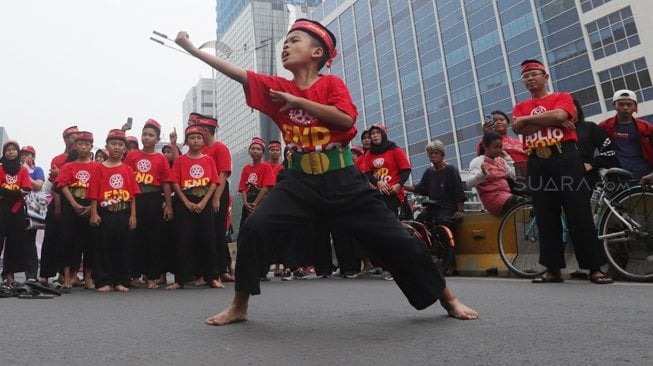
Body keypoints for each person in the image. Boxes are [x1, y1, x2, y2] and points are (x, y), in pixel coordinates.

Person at [174, 18, 477, 325]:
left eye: (295, 41)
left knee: (399, 239)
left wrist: (297, 101)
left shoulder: (331, 85)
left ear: (317, 52)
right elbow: (238, 74)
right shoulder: (278, 88)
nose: (286, 46)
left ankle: (448, 298)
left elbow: (345, 120)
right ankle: (239, 305)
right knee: (254, 229)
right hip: (298, 182)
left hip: (342, 180)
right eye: (286, 42)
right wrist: (191, 49)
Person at [512, 59, 612, 284]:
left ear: (545, 76)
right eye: (525, 76)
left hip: (565, 156)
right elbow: (518, 127)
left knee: (578, 211)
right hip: (537, 160)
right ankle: (552, 269)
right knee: (545, 214)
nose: (530, 79)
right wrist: (548, 120)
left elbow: (560, 116)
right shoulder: (520, 106)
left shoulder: (562, 97)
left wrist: (532, 121)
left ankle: (594, 267)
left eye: (534, 74)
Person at [165, 125, 222, 290]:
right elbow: (174, 182)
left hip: (204, 201)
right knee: (183, 241)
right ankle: (180, 279)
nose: (196, 141)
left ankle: (212, 277)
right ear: (187, 141)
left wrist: (204, 202)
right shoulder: (181, 160)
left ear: (203, 140)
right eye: (192, 138)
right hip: (185, 203)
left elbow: (214, 182)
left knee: (208, 240)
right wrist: (186, 202)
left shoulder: (208, 160)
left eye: (198, 138)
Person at [88, 129, 141, 292]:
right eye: (113, 144)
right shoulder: (99, 168)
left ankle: (122, 281)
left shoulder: (127, 170)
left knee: (123, 247)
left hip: (123, 212)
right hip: (105, 212)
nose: (117, 148)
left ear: (124, 148)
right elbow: (94, 194)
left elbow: (133, 195)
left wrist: (133, 215)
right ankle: (103, 280)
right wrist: (94, 213)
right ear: (106, 147)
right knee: (103, 247)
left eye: (120, 145)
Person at [123, 119, 173, 289]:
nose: (146, 137)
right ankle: (134, 275)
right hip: (135, 199)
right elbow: (125, 178)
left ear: (157, 139)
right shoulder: (132, 156)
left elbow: (166, 182)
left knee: (154, 239)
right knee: (133, 237)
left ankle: (152, 276)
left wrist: (168, 205)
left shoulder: (161, 158)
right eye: (144, 134)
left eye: (150, 135)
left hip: (153, 199)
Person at [192, 113, 233, 284]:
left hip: (218, 192)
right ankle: (211, 270)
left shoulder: (219, 148)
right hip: (202, 191)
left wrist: (216, 198)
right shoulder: (201, 150)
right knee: (204, 233)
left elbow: (223, 174)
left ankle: (219, 270)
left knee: (217, 232)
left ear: (206, 131)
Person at [56, 131, 98, 290]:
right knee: (68, 242)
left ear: (91, 147)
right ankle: (67, 278)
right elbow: (62, 186)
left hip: (90, 205)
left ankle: (88, 279)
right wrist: (74, 204)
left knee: (90, 243)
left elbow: (99, 188)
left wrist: (91, 208)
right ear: (75, 146)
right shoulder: (68, 166)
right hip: (71, 206)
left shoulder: (96, 166)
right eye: (80, 144)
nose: (83, 147)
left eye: (87, 144)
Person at [39, 126, 78, 285]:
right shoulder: (58, 159)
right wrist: (57, 205)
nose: (74, 140)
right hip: (58, 200)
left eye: (77, 137)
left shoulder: (81, 159)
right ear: (65, 139)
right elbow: (56, 183)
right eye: (71, 137)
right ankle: (45, 274)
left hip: (75, 203)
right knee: (51, 238)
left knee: (70, 240)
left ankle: (67, 274)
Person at [404, 139, 466, 221]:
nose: (433, 155)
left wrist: (460, 210)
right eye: (430, 153)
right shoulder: (428, 172)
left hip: (447, 208)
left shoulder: (451, 170)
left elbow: (459, 192)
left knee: (440, 222)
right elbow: (420, 188)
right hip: (432, 208)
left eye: (436, 153)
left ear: (442, 155)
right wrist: (401, 186)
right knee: (417, 223)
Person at [598, 89, 653, 179]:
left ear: (635, 106)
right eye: (621, 104)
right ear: (614, 106)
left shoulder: (646, 127)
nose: (625, 107)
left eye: (629, 104)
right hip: (618, 176)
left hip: (645, 174)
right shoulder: (604, 126)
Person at [467, 132, 524, 216]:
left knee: (529, 203)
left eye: (500, 147)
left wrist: (508, 159)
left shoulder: (501, 160)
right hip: (492, 199)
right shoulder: (478, 161)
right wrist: (482, 173)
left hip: (507, 195)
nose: (499, 150)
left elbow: (513, 177)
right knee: (521, 202)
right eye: (495, 147)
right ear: (485, 147)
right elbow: (469, 183)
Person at [0, 141, 32, 286]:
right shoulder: (0, 168)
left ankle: (9, 275)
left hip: (16, 210)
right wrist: (16, 192)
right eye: (8, 150)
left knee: (14, 243)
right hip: (1, 209)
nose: (11, 152)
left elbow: (26, 189)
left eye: (13, 149)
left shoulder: (23, 170)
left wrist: (6, 193)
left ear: (18, 153)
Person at [572, 98, 619, 189]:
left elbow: (610, 152)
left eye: (571, 106)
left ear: (578, 108)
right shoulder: (556, 132)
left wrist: (592, 164)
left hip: (589, 178)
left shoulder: (590, 127)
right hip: (564, 180)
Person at [19, 145, 45, 282]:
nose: (24, 156)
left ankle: (31, 275)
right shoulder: (15, 169)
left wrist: (24, 173)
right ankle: (9, 275)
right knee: (14, 241)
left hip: (31, 210)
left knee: (30, 242)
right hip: (16, 208)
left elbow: (39, 185)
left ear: (33, 157)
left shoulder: (37, 170)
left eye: (28, 154)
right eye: (22, 154)